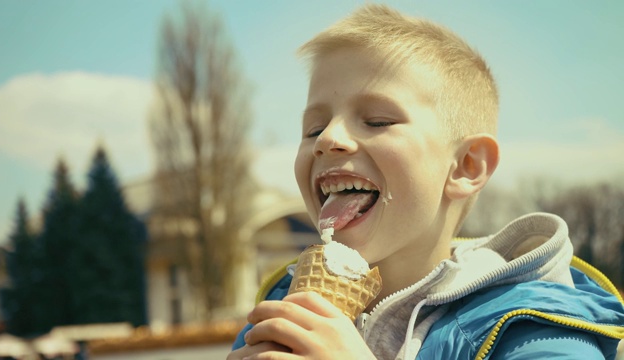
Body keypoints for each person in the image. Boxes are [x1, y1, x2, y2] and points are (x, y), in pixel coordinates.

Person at [228, 4, 624, 359]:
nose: (329, 138)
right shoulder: (279, 312)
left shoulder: (538, 333)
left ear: (466, 166)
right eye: (314, 128)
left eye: (377, 121)